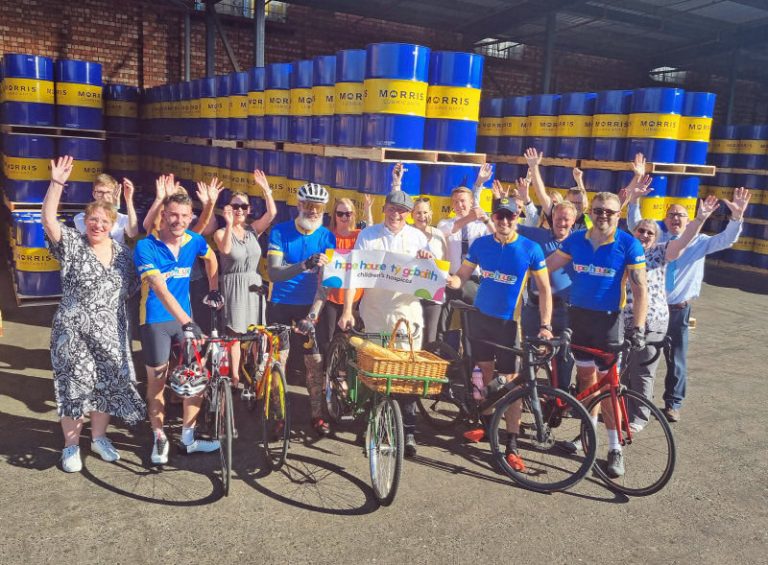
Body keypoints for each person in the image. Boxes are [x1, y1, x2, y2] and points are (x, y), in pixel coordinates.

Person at [42, 156, 145, 472]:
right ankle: (71, 446)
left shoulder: (123, 256)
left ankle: (99, 437)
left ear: (113, 224)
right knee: (73, 388)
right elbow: (48, 221)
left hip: (109, 333)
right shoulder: (73, 244)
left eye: (105, 221)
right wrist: (57, 183)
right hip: (72, 332)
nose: (99, 225)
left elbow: (130, 289)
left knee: (105, 387)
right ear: (86, 221)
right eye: (94, 220)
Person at [627, 168, 751, 422]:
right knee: (637, 359)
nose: (675, 218)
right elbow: (636, 225)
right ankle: (630, 401)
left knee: (677, 360)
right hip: (650, 311)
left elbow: (727, 239)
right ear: (665, 218)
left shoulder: (701, 242)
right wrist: (635, 199)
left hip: (678, 310)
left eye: (681, 215)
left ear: (690, 218)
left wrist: (736, 218)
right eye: (671, 214)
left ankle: (673, 403)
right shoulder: (657, 242)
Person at [546, 191, 648, 479]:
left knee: (608, 388)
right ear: (590, 212)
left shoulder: (628, 244)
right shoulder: (577, 239)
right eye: (599, 210)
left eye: (610, 212)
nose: (603, 215)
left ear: (619, 215)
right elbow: (546, 265)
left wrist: (638, 327)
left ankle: (615, 448)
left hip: (608, 322)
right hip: (579, 317)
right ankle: (586, 435)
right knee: (586, 381)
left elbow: (640, 288)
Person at [447, 197, 553, 472]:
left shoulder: (530, 248)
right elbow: (462, 275)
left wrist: (545, 325)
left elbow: (544, 290)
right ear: (492, 218)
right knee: (484, 374)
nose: (504, 222)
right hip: (481, 319)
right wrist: (451, 281)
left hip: (509, 324)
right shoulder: (482, 245)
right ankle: (486, 427)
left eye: (509, 217)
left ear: (517, 217)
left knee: (513, 385)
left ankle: (512, 445)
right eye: (499, 217)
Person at [338, 191, 433, 457]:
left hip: (406, 312)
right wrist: (348, 310)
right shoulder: (368, 235)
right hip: (374, 310)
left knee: (407, 372)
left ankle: (408, 430)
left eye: (401, 210)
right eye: (392, 208)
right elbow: (354, 274)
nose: (396, 214)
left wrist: (428, 260)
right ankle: (371, 423)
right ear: (384, 209)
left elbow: (431, 278)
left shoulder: (417, 237)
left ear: (409, 213)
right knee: (373, 370)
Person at [134, 190, 222, 466]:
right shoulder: (145, 247)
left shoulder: (194, 240)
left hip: (185, 320)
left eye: (184, 216)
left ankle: (188, 438)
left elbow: (212, 258)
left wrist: (214, 289)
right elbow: (159, 290)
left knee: (194, 379)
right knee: (157, 382)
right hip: (156, 321)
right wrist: (188, 322)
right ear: (163, 214)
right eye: (173, 214)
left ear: (191, 217)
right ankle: (159, 437)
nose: (178, 220)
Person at [622, 195, 719, 431]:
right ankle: (622, 410)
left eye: (650, 233)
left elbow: (685, 239)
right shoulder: (625, 253)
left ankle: (639, 417)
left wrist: (699, 218)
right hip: (624, 318)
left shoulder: (663, 251)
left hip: (652, 320)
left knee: (643, 371)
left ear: (657, 238)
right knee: (623, 369)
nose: (644, 235)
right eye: (640, 231)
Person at [267, 182, 336, 437]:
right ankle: (279, 416)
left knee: (314, 364)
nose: (313, 211)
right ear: (299, 205)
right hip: (280, 305)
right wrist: (305, 264)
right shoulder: (280, 232)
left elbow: (326, 281)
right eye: (308, 205)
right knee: (278, 362)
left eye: (318, 207)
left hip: (309, 307)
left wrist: (313, 315)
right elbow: (274, 273)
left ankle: (317, 416)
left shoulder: (327, 237)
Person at [213, 169, 276, 388]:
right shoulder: (221, 232)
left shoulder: (253, 230)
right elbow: (227, 250)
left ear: (249, 210)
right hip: (234, 286)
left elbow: (272, 214)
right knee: (235, 335)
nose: (239, 210)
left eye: (243, 206)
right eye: (235, 206)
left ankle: (256, 372)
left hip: (254, 285)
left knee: (258, 332)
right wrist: (230, 223)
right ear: (228, 209)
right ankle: (235, 377)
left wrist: (266, 190)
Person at [142, 174, 219, 334]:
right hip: (163, 290)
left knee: (190, 331)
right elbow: (150, 225)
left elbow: (204, 225)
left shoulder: (187, 236)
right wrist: (161, 198)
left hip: (189, 283)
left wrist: (209, 203)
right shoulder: (157, 233)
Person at [517, 200, 578, 391]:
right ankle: (528, 395)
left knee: (564, 357)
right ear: (552, 219)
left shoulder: (579, 242)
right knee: (529, 355)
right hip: (535, 308)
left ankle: (560, 398)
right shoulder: (537, 235)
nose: (562, 223)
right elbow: (507, 226)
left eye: (566, 219)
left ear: (574, 221)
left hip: (564, 310)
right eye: (558, 218)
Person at [322, 195, 373, 347]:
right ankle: (327, 369)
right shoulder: (327, 236)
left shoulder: (359, 235)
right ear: (334, 215)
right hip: (331, 293)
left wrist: (368, 210)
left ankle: (344, 369)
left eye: (348, 214)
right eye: (340, 213)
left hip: (354, 295)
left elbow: (371, 233)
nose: (344, 217)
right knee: (329, 337)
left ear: (353, 215)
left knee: (350, 338)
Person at [524, 147, 591, 230]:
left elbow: (583, 198)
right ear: (565, 202)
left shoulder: (585, 221)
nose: (576, 206)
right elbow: (541, 194)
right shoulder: (557, 221)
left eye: (579, 203)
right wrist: (534, 168)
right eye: (572, 203)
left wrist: (579, 180)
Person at [410, 197, 447, 344]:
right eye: (418, 213)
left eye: (425, 212)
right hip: (411, 293)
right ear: (412, 214)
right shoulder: (407, 233)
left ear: (431, 213)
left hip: (433, 293)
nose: (422, 216)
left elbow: (445, 262)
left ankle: (425, 368)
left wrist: (432, 259)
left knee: (429, 340)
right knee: (412, 337)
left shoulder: (439, 234)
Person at [73, 173, 138, 244]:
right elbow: (98, 237)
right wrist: (115, 208)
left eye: (108, 192)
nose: (104, 196)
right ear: (94, 194)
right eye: (100, 192)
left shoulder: (122, 218)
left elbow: (133, 233)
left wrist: (128, 199)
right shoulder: (81, 217)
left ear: (115, 194)